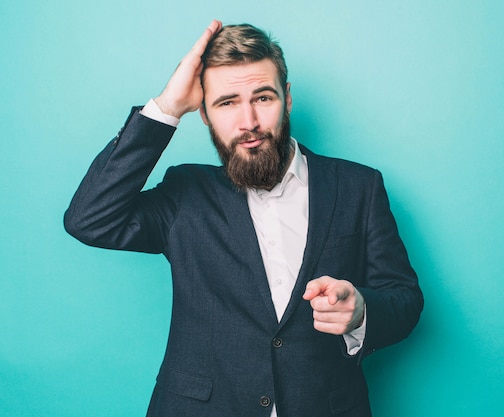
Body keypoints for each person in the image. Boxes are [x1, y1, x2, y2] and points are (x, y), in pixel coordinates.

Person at [64, 20, 423, 417]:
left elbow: (404, 299)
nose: (248, 121)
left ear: (286, 99)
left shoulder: (359, 186)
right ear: (203, 113)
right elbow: (89, 218)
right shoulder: (185, 192)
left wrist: (361, 311)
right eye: (227, 102)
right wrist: (166, 107)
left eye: (263, 98)